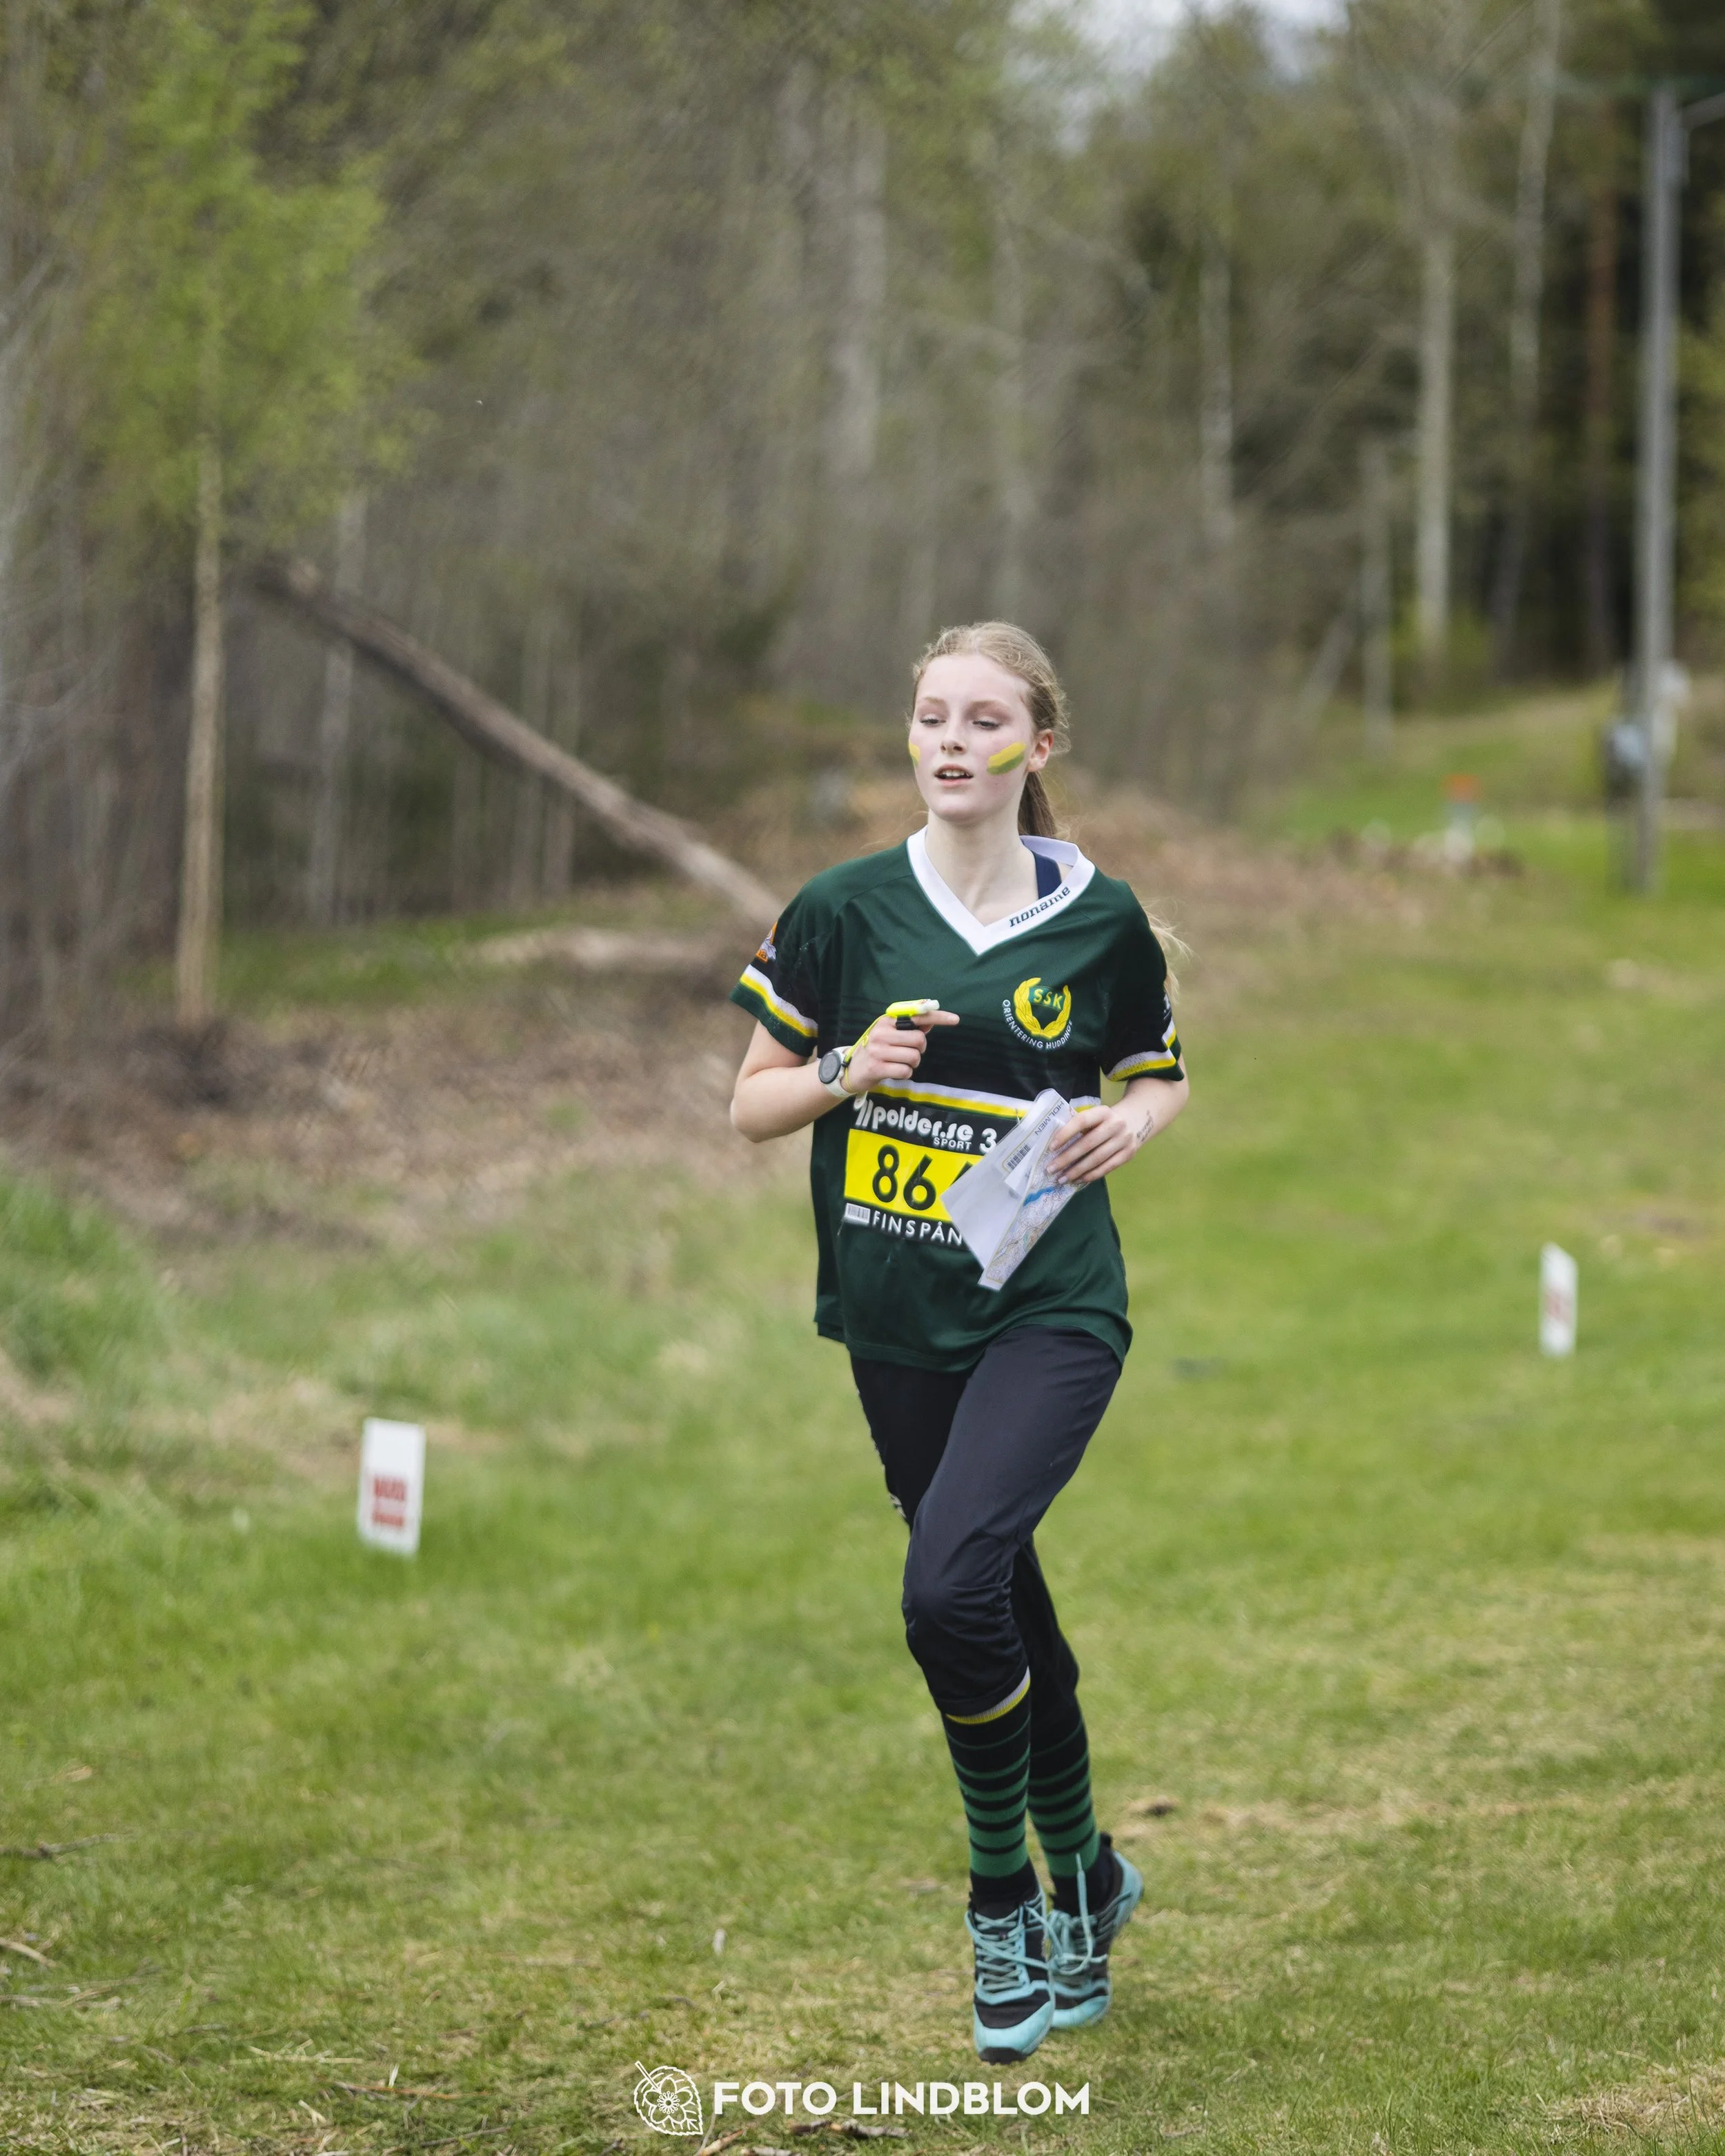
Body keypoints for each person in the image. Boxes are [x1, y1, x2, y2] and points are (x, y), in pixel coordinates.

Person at [728, 622, 1190, 2064]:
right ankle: (1092, 1876)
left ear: (1034, 747)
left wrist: (1133, 1121)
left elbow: (1156, 1071)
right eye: (928, 715)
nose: (947, 741)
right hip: (896, 1313)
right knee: (993, 1596)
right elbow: (746, 1103)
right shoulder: (840, 910)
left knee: (943, 1591)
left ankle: (1003, 1898)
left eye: (981, 719)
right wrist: (838, 1069)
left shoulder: (1097, 918)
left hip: (1050, 1304)